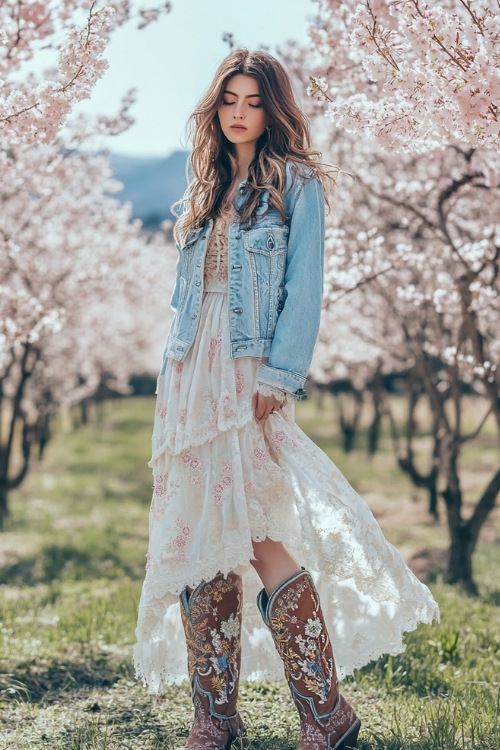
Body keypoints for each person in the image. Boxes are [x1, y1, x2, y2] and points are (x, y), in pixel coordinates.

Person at [134, 49, 439, 750]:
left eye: (253, 100)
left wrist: (278, 376)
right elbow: (189, 301)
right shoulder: (207, 183)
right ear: (217, 108)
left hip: (248, 374)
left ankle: (327, 715)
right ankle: (216, 719)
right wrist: (171, 379)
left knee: (260, 530)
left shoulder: (296, 184)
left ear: (273, 109)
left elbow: (304, 288)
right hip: (189, 373)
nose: (239, 112)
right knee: (196, 537)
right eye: (229, 100)